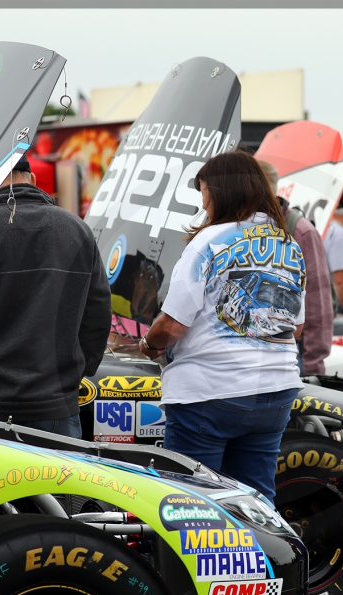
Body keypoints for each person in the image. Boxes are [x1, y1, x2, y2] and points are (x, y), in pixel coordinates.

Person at [137, 151, 305, 502]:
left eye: (204, 193)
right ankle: (263, 558)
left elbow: (172, 326)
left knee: (194, 504)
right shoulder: (289, 245)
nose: (203, 202)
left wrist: (149, 346)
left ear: (221, 191)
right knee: (255, 505)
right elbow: (296, 328)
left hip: (210, 392)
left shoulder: (209, 241)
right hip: (276, 392)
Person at [0, 155, 110, 438]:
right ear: (33, 180)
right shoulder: (78, 230)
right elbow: (97, 316)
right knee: (54, 484)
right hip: (55, 406)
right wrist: (70, 377)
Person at [258, 159, 333, 375]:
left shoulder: (300, 231)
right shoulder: (240, 227)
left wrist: (313, 367)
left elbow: (318, 305)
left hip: (292, 357)